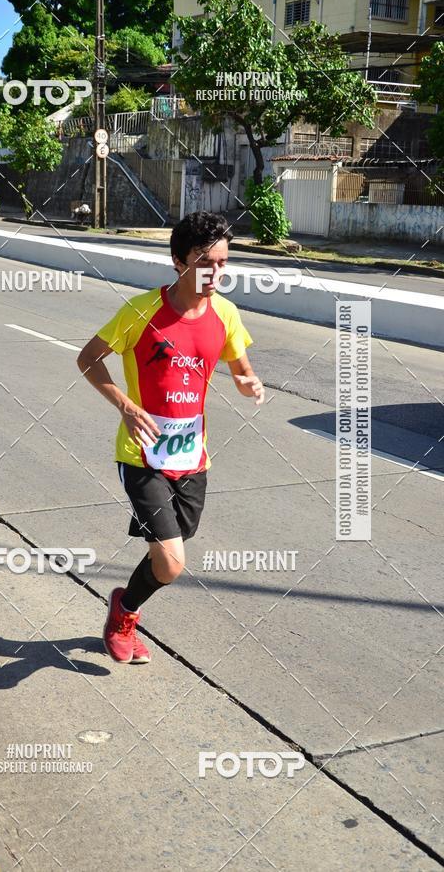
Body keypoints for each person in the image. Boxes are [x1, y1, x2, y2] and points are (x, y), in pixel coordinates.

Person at [77, 211, 265, 665]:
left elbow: (241, 369)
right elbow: (88, 359)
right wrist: (126, 407)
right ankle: (124, 616)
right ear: (179, 261)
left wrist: (249, 384)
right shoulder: (141, 311)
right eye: (205, 262)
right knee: (171, 562)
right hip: (142, 455)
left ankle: (123, 601)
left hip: (193, 458)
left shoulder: (226, 314)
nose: (216, 273)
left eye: (223, 263)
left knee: (170, 556)